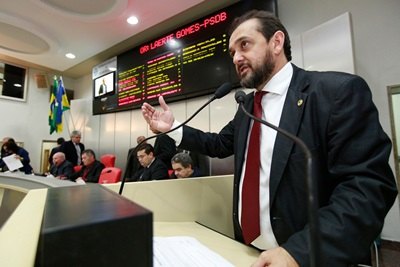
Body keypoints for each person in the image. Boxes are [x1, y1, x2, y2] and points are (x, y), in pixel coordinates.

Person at [141, 10, 398, 267]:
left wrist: (299, 252)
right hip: (247, 252)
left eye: (244, 45)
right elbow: (217, 145)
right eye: (232, 53)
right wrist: (172, 127)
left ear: (276, 42)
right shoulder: (248, 108)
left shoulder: (334, 93)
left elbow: (367, 188)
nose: (237, 58)